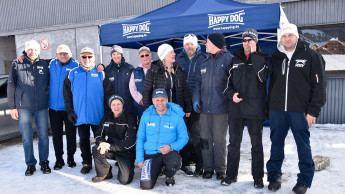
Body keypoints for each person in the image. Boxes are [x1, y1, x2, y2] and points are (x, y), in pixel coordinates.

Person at [266, 23, 326, 194]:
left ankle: (304, 181)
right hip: (277, 110)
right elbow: (272, 86)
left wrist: (313, 111)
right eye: (284, 36)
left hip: (300, 110)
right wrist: (269, 107)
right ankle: (274, 176)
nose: (287, 39)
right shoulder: (276, 57)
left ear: (296, 36)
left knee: (303, 146)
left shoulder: (311, 56)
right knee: (276, 144)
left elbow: (320, 86)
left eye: (290, 35)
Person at [222, 29, 270, 188]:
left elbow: (262, 77)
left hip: (255, 109)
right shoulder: (234, 59)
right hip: (236, 109)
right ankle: (230, 175)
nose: (247, 42)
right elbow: (225, 84)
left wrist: (255, 55)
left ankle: (257, 178)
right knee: (233, 143)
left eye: (251, 40)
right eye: (244, 40)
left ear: (256, 42)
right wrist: (231, 95)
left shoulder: (263, 58)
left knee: (256, 145)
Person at [63, 47, 113, 174]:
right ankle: (86, 162)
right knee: (83, 140)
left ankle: (101, 163)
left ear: (94, 58)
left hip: (97, 115)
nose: (87, 59)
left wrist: (108, 112)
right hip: (80, 115)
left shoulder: (101, 73)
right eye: (84, 57)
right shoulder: (73, 73)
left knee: (100, 140)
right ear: (80, 58)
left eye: (89, 57)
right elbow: (67, 94)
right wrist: (70, 111)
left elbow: (108, 94)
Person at [192, 32, 233, 180]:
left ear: (215, 43)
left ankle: (221, 169)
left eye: (207, 42)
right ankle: (208, 168)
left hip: (220, 109)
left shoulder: (229, 59)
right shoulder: (204, 61)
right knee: (205, 139)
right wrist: (195, 99)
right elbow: (197, 84)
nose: (205, 45)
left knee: (220, 140)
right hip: (204, 110)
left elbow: (233, 84)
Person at [7, 40, 51, 176]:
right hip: (24, 107)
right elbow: (11, 85)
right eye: (30, 49)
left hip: (42, 107)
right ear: (26, 51)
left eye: (35, 49)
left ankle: (44, 162)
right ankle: (30, 164)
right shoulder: (17, 64)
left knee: (43, 136)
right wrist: (12, 107)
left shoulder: (44, 64)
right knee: (27, 137)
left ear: (39, 51)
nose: (33, 52)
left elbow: (50, 83)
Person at [136, 88, 189, 189]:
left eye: (162, 100)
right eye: (157, 100)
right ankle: (158, 169)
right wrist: (139, 159)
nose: (160, 103)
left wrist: (171, 147)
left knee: (174, 161)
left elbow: (184, 138)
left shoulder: (176, 117)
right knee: (146, 186)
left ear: (167, 100)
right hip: (151, 154)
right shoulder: (146, 115)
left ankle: (169, 174)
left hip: (168, 153)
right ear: (153, 101)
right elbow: (140, 138)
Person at [175, 34, 207, 177]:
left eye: (192, 44)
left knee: (196, 134)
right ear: (184, 46)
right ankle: (186, 163)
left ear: (196, 45)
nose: (189, 46)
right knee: (183, 134)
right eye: (187, 44)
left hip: (197, 104)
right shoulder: (178, 58)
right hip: (181, 103)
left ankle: (200, 164)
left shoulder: (203, 58)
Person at [91, 95, 137, 184]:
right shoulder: (106, 118)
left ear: (122, 105)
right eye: (113, 104)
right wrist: (102, 143)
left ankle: (128, 169)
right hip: (111, 149)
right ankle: (104, 172)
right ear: (110, 106)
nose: (116, 107)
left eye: (118, 104)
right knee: (96, 148)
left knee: (124, 180)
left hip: (125, 152)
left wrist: (110, 146)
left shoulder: (130, 118)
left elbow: (130, 142)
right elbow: (98, 134)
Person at [49, 45, 79, 170]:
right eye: (60, 53)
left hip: (69, 108)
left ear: (70, 54)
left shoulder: (76, 66)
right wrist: (23, 56)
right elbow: (34, 59)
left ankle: (70, 158)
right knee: (56, 135)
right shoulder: (51, 65)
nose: (63, 55)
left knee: (71, 135)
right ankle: (59, 159)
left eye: (66, 53)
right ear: (56, 55)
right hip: (54, 108)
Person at [142, 44, 192, 117]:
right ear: (164, 56)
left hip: (176, 110)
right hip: (160, 111)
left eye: (173, 52)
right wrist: (148, 110)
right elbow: (146, 92)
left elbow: (185, 90)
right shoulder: (153, 71)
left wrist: (188, 108)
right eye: (171, 52)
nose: (174, 54)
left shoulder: (179, 69)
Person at [97, 45, 134, 114]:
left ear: (121, 55)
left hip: (128, 107)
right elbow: (105, 90)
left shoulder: (130, 69)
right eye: (113, 54)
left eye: (118, 54)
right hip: (113, 108)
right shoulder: (107, 70)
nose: (116, 56)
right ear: (111, 56)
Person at [129, 46, 152, 120]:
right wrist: (140, 99)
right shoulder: (135, 72)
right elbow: (132, 88)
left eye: (146, 55)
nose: (144, 57)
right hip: (141, 106)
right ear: (140, 58)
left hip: (156, 105)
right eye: (142, 56)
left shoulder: (157, 68)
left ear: (150, 55)